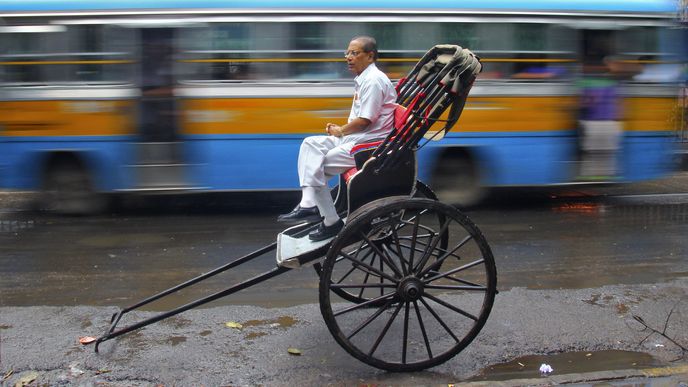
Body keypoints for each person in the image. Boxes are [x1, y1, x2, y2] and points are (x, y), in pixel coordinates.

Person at [277, 36, 397, 241]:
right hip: (356, 138)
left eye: (354, 53)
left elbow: (365, 120)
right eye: (347, 53)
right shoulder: (364, 79)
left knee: (316, 166)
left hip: (368, 144)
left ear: (370, 56)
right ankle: (308, 203)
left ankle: (331, 222)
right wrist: (341, 131)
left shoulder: (374, 81)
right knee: (310, 145)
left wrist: (341, 130)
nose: (348, 58)